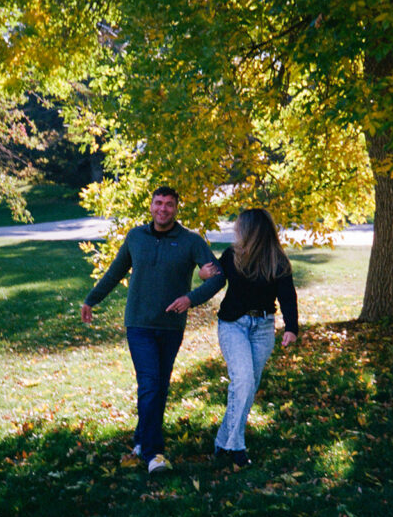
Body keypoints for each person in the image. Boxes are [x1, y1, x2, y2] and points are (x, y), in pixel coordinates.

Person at [81, 186, 224, 474]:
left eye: (169, 204)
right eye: (158, 203)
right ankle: (153, 453)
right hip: (139, 324)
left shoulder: (190, 241)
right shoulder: (136, 237)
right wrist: (91, 300)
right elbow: (115, 272)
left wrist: (190, 298)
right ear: (151, 206)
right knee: (150, 383)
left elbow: (218, 277)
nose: (163, 209)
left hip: (171, 327)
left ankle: (139, 440)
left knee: (159, 385)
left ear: (176, 209)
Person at [198, 208, 298, 468]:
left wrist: (291, 328)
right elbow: (216, 281)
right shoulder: (233, 256)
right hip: (234, 325)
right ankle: (236, 447)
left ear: (252, 230)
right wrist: (202, 277)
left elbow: (288, 296)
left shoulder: (277, 260)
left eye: (239, 227)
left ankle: (222, 441)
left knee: (247, 387)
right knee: (243, 382)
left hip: (263, 327)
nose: (235, 231)